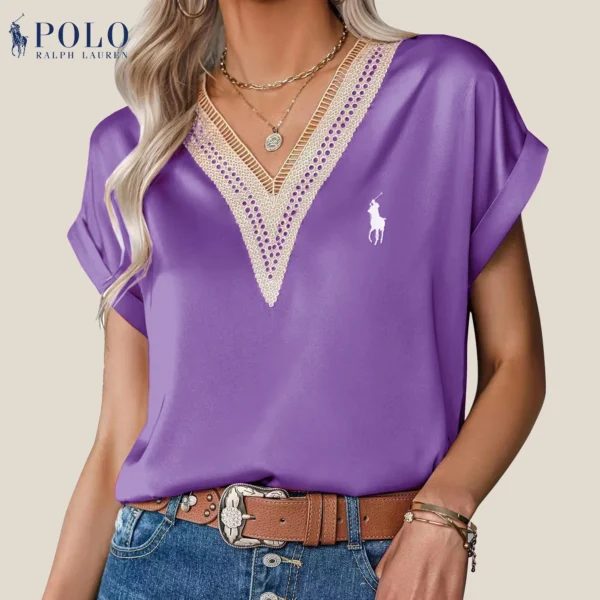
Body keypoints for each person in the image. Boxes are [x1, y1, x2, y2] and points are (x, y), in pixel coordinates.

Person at [43, 1, 549, 598]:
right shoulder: (132, 149)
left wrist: (443, 514)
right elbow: (117, 438)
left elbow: (514, 362)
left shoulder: (448, 91)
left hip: (380, 569)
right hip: (162, 567)